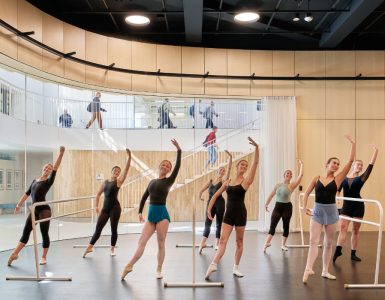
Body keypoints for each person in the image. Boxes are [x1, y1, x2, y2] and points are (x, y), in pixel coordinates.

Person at [121, 139, 181, 280]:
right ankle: (129, 265)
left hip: (162, 215)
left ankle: (159, 269)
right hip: (151, 215)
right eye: (163, 165)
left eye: (168, 166)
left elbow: (177, 166)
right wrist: (140, 212)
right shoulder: (152, 182)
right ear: (159, 166)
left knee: (161, 243)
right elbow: (144, 197)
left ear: (169, 170)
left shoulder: (168, 181)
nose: (165, 167)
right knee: (142, 242)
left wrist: (178, 150)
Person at [302, 135, 355, 283]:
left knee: (328, 243)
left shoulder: (338, 179)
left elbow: (350, 162)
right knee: (313, 241)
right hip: (318, 211)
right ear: (327, 164)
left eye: (338, 164)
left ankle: (325, 270)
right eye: (334, 163)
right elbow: (306, 193)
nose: (336, 165)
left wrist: (353, 144)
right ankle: (308, 268)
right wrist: (305, 207)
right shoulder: (317, 177)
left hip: (331, 212)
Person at [205, 137, 259, 280]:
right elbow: (215, 195)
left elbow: (256, 163)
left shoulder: (246, 182)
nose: (244, 166)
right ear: (237, 167)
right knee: (222, 241)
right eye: (241, 164)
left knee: (239, 242)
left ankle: (236, 268)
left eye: (245, 166)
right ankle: (213, 264)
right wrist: (208, 210)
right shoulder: (228, 181)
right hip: (228, 214)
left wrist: (257, 148)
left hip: (241, 214)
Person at [7, 146, 65, 266]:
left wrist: (61, 153)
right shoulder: (35, 181)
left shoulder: (48, 181)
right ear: (42, 169)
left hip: (44, 210)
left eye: (49, 169)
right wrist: (19, 205)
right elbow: (27, 194)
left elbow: (56, 167)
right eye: (46, 168)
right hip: (34, 210)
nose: (47, 170)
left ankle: (43, 257)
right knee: (26, 232)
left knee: (44, 232)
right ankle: (15, 253)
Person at [83, 149, 131, 258]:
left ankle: (112, 248)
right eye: (115, 170)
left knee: (113, 229)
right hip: (105, 209)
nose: (117, 172)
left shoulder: (118, 181)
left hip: (115, 208)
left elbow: (127, 170)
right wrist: (96, 206)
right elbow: (98, 194)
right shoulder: (105, 182)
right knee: (98, 228)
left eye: (119, 171)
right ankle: (90, 246)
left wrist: (129, 157)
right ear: (111, 172)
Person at [333, 144, 378, 263]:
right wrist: (336, 199)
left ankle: (353, 253)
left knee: (355, 230)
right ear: (353, 166)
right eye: (358, 164)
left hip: (358, 206)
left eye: (361, 165)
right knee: (343, 227)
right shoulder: (343, 178)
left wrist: (375, 151)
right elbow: (337, 190)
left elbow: (371, 165)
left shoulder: (362, 178)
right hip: (347, 206)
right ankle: (338, 250)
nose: (360, 166)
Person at [263, 160, 303, 252]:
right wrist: (266, 204)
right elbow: (271, 195)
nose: (289, 175)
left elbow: (300, 176)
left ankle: (283, 244)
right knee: (272, 225)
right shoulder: (278, 185)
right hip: (277, 207)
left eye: (290, 174)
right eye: (287, 173)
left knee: (286, 226)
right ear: (284, 175)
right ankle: (266, 243)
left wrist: (301, 165)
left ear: (291, 177)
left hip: (287, 208)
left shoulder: (291, 185)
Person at [198, 150, 232, 253]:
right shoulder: (211, 180)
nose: (222, 171)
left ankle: (217, 243)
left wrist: (230, 157)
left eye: (223, 171)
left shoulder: (223, 180)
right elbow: (202, 189)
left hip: (220, 203)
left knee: (218, 224)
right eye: (220, 170)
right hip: (210, 203)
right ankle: (203, 242)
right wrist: (200, 196)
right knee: (207, 223)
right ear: (217, 171)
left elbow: (229, 168)